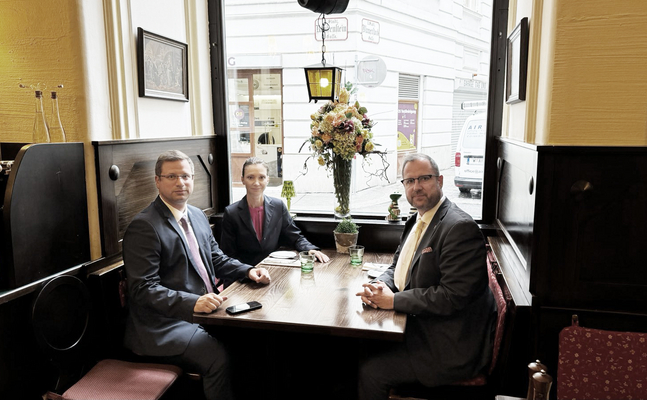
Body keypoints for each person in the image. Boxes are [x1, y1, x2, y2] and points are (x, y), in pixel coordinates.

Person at [122, 150, 271, 400]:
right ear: (157, 180)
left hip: (206, 313)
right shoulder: (144, 226)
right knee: (218, 357)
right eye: (171, 176)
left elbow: (216, 258)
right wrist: (193, 302)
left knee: (252, 342)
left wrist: (247, 270)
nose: (180, 182)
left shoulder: (197, 215)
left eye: (186, 176)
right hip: (163, 325)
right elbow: (142, 289)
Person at [356, 153, 496, 400]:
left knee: (371, 371)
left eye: (424, 178)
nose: (416, 186)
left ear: (440, 180)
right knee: (349, 350)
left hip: (447, 346)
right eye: (409, 181)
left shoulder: (458, 228)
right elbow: (396, 266)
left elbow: (453, 297)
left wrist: (394, 301)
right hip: (421, 327)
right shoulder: (417, 220)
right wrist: (380, 286)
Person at [220, 157, 329, 265]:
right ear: (242, 179)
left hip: (273, 269)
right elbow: (228, 255)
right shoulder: (231, 213)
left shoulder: (278, 206)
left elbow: (295, 237)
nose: (256, 183)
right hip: (244, 274)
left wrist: (310, 249)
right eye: (250, 177)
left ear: (268, 179)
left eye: (261, 177)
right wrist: (247, 272)